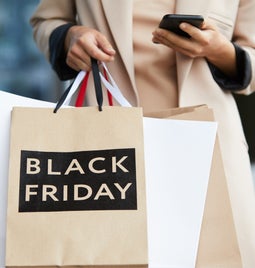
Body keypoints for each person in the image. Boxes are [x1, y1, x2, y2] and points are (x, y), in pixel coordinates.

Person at [30, 0, 255, 266]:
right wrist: (69, 37)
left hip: (208, 147)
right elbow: (45, 22)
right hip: (106, 150)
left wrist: (219, 50)